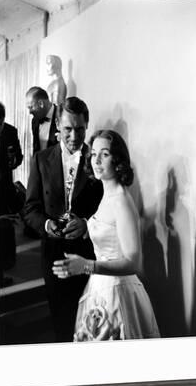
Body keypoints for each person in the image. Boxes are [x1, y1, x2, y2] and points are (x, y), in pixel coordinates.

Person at [52, 130, 160, 341]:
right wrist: (84, 226)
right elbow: (108, 229)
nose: (97, 160)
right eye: (93, 154)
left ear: (117, 159)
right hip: (100, 286)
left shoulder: (121, 201)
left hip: (118, 291)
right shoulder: (106, 194)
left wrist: (87, 265)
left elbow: (133, 262)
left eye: (105, 154)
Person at [24, 97, 103, 342]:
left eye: (80, 129)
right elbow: (29, 209)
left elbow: (108, 209)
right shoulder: (40, 159)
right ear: (58, 125)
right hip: (53, 255)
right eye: (68, 129)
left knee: (89, 323)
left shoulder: (98, 161)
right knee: (61, 321)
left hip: (87, 254)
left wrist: (87, 224)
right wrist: (47, 225)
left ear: (86, 126)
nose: (74, 136)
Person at [0, 102, 23, 215]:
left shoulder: (10, 132)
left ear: (2, 121)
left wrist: (14, 160)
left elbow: (19, 157)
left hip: (5, 190)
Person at [25, 86, 58, 155]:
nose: (30, 112)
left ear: (41, 104)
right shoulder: (34, 121)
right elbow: (36, 148)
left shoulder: (62, 116)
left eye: (31, 107)